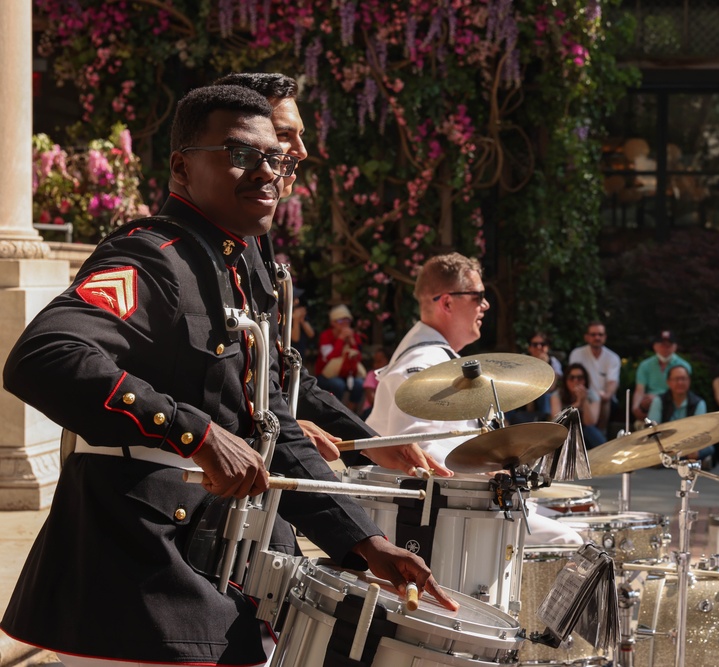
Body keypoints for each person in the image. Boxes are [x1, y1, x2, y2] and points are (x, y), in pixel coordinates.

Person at [0, 85, 455, 667]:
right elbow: (45, 354)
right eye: (242, 154)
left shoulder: (232, 267)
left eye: (277, 157)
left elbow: (273, 426)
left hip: (213, 577)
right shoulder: (151, 257)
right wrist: (198, 434)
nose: (267, 171)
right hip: (135, 584)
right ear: (182, 166)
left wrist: (366, 542)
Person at [214, 71, 443, 477]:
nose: (301, 151)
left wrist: (372, 444)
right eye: (286, 135)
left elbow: (280, 382)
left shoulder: (253, 241)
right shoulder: (169, 250)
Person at [366, 252, 581, 545]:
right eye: (478, 295)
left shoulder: (436, 359)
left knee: (567, 521)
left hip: (456, 509)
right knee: (571, 540)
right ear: (447, 302)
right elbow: (419, 450)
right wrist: (490, 471)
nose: (486, 304)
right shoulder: (423, 365)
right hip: (441, 522)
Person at [649, 365, 713, 466]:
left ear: (689, 381)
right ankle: (692, 461)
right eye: (676, 379)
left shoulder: (698, 402)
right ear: (668, 382)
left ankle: (670, 460)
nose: (680, 382)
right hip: (666, 442)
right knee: (652, 447)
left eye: (683, 379)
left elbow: (700, 431)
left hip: (689, 443)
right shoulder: (659, 401)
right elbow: (653, 429)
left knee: (708, 447)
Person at [568, 321, 621, 434]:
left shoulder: (612, 357)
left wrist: (607, 394)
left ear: (605, 337)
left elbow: (613, 382)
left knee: (605, 399)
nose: (597, 337)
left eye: (600, 334)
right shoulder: (577, 354)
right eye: (593, 334)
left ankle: (602, 432)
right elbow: (574, 378)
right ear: (586, 337)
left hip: (602, 399)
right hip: (583, 394)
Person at [632, 330, 691, 423]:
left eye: (669, 345)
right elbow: (639, 390)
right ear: (655, 346)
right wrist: (636, 408)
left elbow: (683, 391)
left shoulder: (684, 366)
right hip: (649, 407)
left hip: (673, 407)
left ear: (675, 346)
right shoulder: (645, 365)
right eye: (662, 345)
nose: (665, 348)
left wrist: (657, 397)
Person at [315, 304, 366, 409]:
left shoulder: (354, 335)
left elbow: (358, 358)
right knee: (338, 385)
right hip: (327, 374)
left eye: (347, 320)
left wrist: (352, 342)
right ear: (332, 323)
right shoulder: (326, 336)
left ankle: (351, 412)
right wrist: (341, 339)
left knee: (359, 384)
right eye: (340, 321)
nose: (344, 324)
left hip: (348, 373)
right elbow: (329, 358)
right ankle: (335, 411)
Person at [550, 363, 606, 450]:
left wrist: (584, 401)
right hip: (564, 430)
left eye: (580, 378)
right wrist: (577, 404)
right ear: (566, 380)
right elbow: (557, 419)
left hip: (585, 430)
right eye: (571, 378)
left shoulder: (592, 395)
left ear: (585, 380)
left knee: (592, 432)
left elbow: (591, 422)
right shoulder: (557, 395)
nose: (576, 381)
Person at [289, 286, 316, 360]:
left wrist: (302, 320)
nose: (297, 301)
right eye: (294, 299)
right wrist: (296, 320)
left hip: (301, 354)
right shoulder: (283, 315)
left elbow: (311, 334)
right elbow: (295, 338)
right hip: (290, 356)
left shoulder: (298, 311)